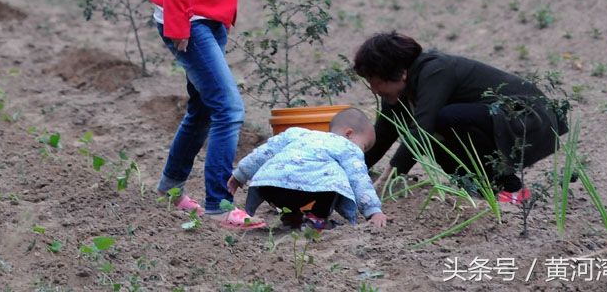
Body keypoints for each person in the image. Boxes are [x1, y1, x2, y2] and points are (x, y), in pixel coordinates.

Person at [149, 0, 296, 229]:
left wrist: (225, 19)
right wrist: (179, 25)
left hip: (211, 19)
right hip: (186, 19)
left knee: (203, 108)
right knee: (229, 109)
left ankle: (169, 190)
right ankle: (217, 202)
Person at [353, 32, 569, 204]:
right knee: (432, 134)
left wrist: (385, 181)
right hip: (492, 120)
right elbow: (383, 133)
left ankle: (510, 188)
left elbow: (422, 129)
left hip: (527, 117)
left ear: (400, 73)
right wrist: (350, 171)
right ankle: (480, 189)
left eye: (375, 81)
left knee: (439, 122)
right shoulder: (400, 93)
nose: (373, 89)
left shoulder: (434, 69)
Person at [228, 108, 388, 230]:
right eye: (364, 146)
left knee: (293, 176)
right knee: (332, 179)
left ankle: (292, 216)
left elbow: (264, 152)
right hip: (310, 190)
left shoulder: (298, 134)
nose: (362, 152)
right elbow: (359, 179)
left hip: (270, 188)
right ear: (349, 134)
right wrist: (373, 210)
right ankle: (317, 219)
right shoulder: (347, 147)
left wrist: (240, 175)